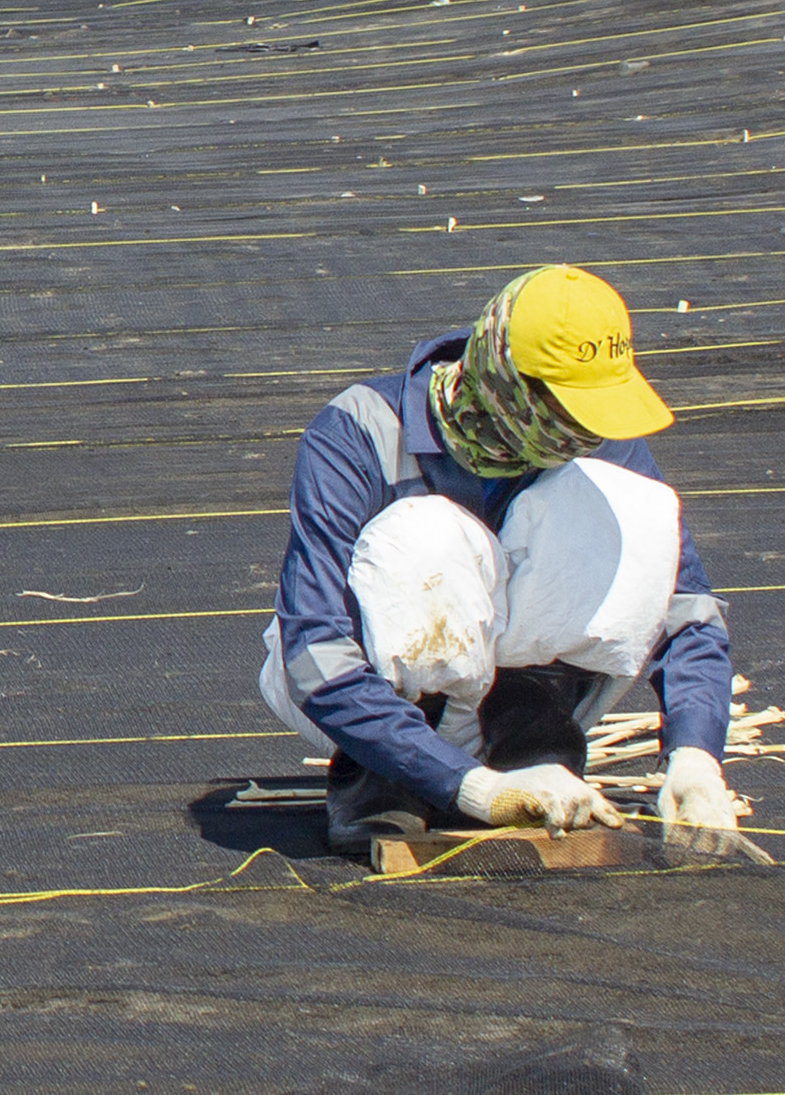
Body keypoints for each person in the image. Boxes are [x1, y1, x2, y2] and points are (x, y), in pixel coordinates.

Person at [259, 266, 735, 857]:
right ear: (506, 382)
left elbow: (686, 608)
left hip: (523, 701)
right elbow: (315, 653)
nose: (584, 434)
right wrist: (477, 790)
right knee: (429, 536)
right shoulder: (361, 431)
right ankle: (384, 780)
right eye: (568, 411)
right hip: (365, 703)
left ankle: (534, 743)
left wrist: (695, 757)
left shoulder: (596, 439)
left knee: (631, 508)